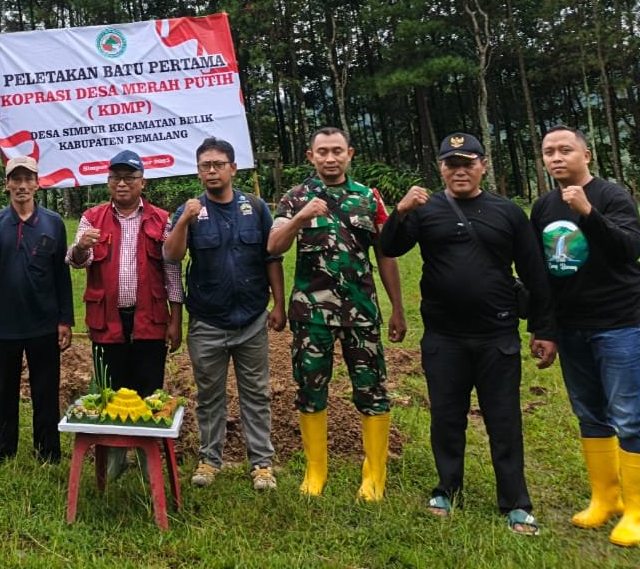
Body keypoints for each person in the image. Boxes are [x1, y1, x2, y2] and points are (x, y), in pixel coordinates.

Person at [381, 133, 557, 535]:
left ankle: (516, 502)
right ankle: (446, 489)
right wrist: (401, 210)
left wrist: (544, 328)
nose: (459, 170)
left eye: (468, 162)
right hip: (444, 336)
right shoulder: (426, 210)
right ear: (440, 168)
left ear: (483, 165)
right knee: (446, 417)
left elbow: (534, 273)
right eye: (451, 163)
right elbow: (389, 246)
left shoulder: (508, 212)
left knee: (504, 419)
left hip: (497, 334)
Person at [531, 126, 640, 547]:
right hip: (571, 327)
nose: (556, 157)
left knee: (629, 415)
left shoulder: (611, 197)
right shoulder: (544, 205)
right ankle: (605, 498)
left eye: (565, 149)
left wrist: (588, 212)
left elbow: (628, 250)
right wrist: (545, 329)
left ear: (587, 154)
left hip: (618, 323)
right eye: (549, 152)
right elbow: (543, 275)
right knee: (590, 414)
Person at [268, 127, 407, 500]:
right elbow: (274, 245)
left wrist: (397, 308)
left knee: (372, 389)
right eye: (322, 152)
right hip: (311, 316)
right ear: (310, 156)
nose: (330, 158)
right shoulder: (295, 197)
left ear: (350, 154)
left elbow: (386, 254)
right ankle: (316, 471)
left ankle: (374, 474)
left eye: (337, 151)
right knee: (311, 389)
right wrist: (300, 218)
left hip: (361, 313)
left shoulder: (368, 198)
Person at [163, 137, 285, 492]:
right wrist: (184, 220)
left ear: (233, 168)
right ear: (198, 171)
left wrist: (277, 304)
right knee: (210, 394)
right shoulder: (190, 210)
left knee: (257, 394)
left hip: (251, 318)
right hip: (207, 321)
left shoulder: (256, 207)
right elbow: (171, 255)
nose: (212, 171)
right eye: (205, 165)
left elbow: (271, 258)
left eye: (219, 164)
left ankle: (261, 463)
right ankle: (209, 460)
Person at [0, 156, 73, 463]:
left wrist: (65, 319)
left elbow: (61, 275)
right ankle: (5, 449)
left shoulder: (52, 222)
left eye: (28, 179)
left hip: (44, 320)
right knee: (5, 390)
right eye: (16, 179)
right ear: (7, 185)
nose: (22, 186)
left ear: (38, 184)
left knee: (46, 389)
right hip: (7, 323)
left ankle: (48, 449)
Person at [68, 149, 183, 395]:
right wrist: (80, 246)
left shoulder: (162, 220)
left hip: (150, 320)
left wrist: (176, 320)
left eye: (129, 177)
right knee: (110, 394)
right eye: (115, 177)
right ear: (108, 182)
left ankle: (150, 435)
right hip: (106, 320)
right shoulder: (91, 218)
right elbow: (78, 261)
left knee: (150, 394)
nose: (122, 183)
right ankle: (113, 436)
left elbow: (172, 271)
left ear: (142, 182)